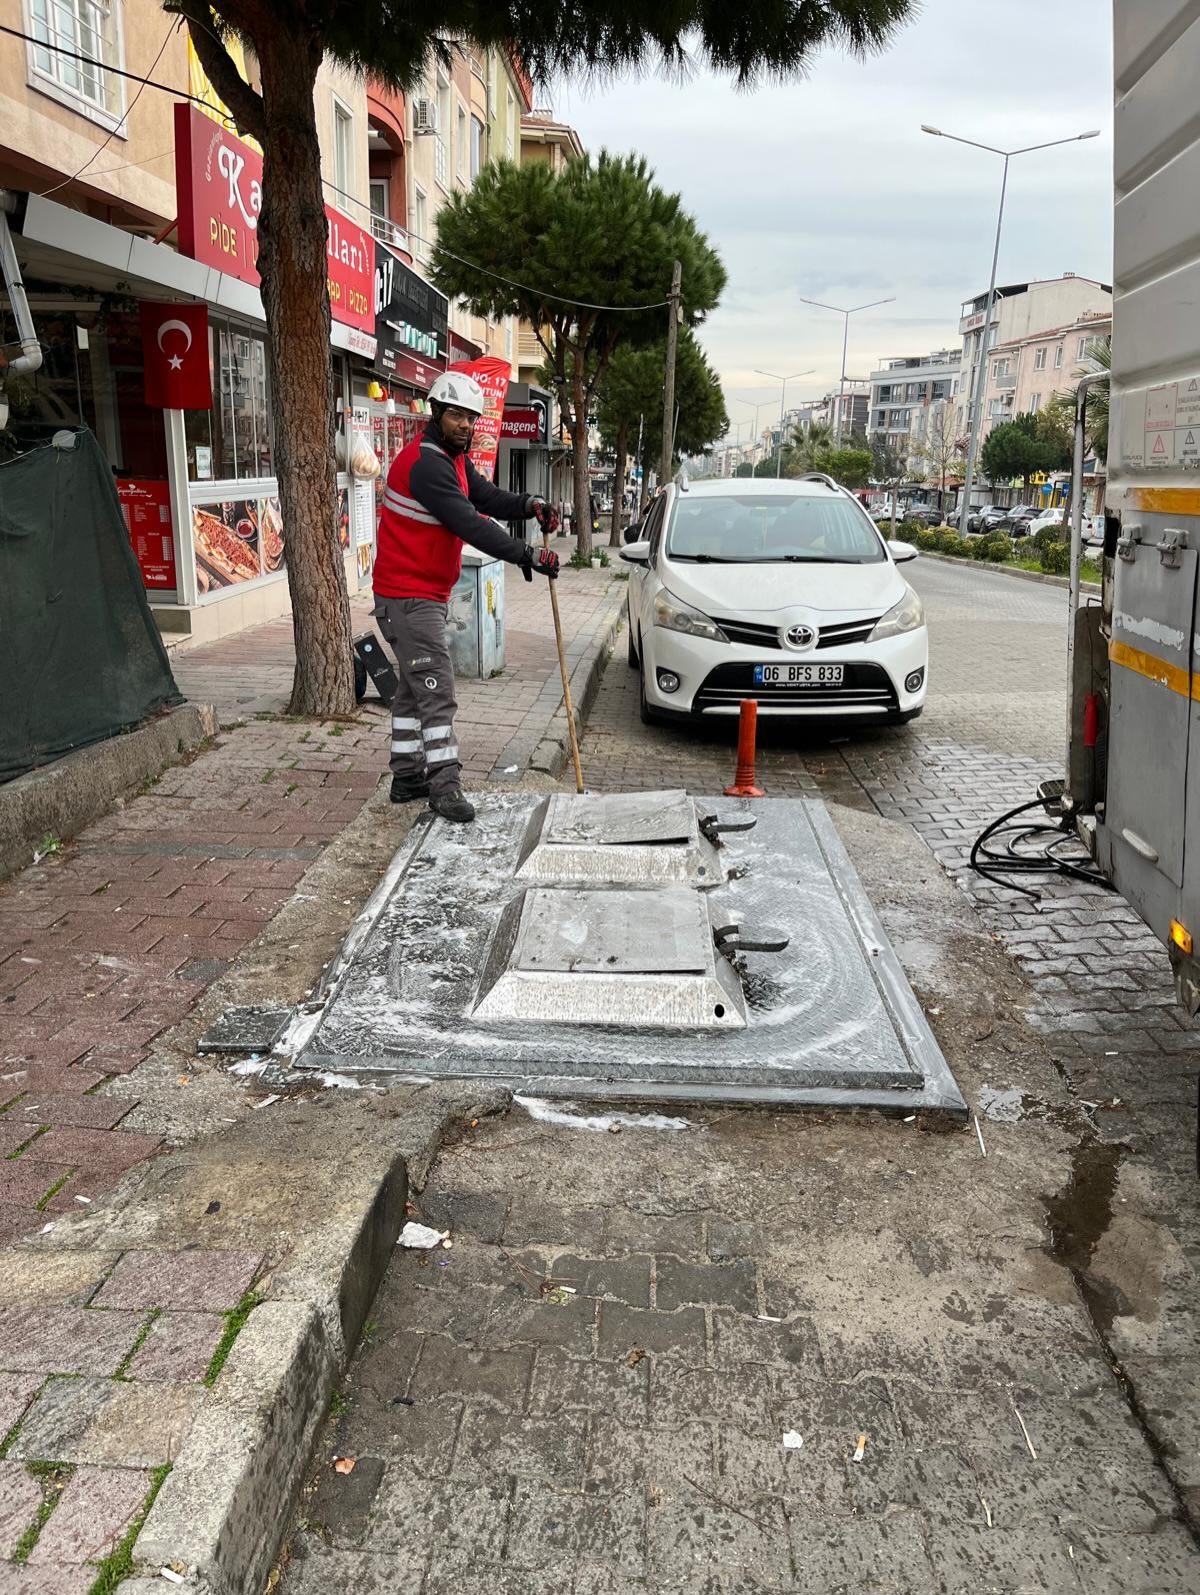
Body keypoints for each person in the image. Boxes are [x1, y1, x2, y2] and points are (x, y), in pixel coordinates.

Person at [372, 371, 560, 824]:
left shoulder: (451, 459)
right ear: (436, 413)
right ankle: (444, 785)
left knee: (415, 690)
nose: (465, 424)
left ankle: (407, 777)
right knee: (437, 686)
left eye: (471, 417)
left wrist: (528, 503)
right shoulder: (427, 464)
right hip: (408, 596)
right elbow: (470, 523)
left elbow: (486, 497)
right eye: (456, 414)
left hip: (420, 594)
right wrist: (526, 554)